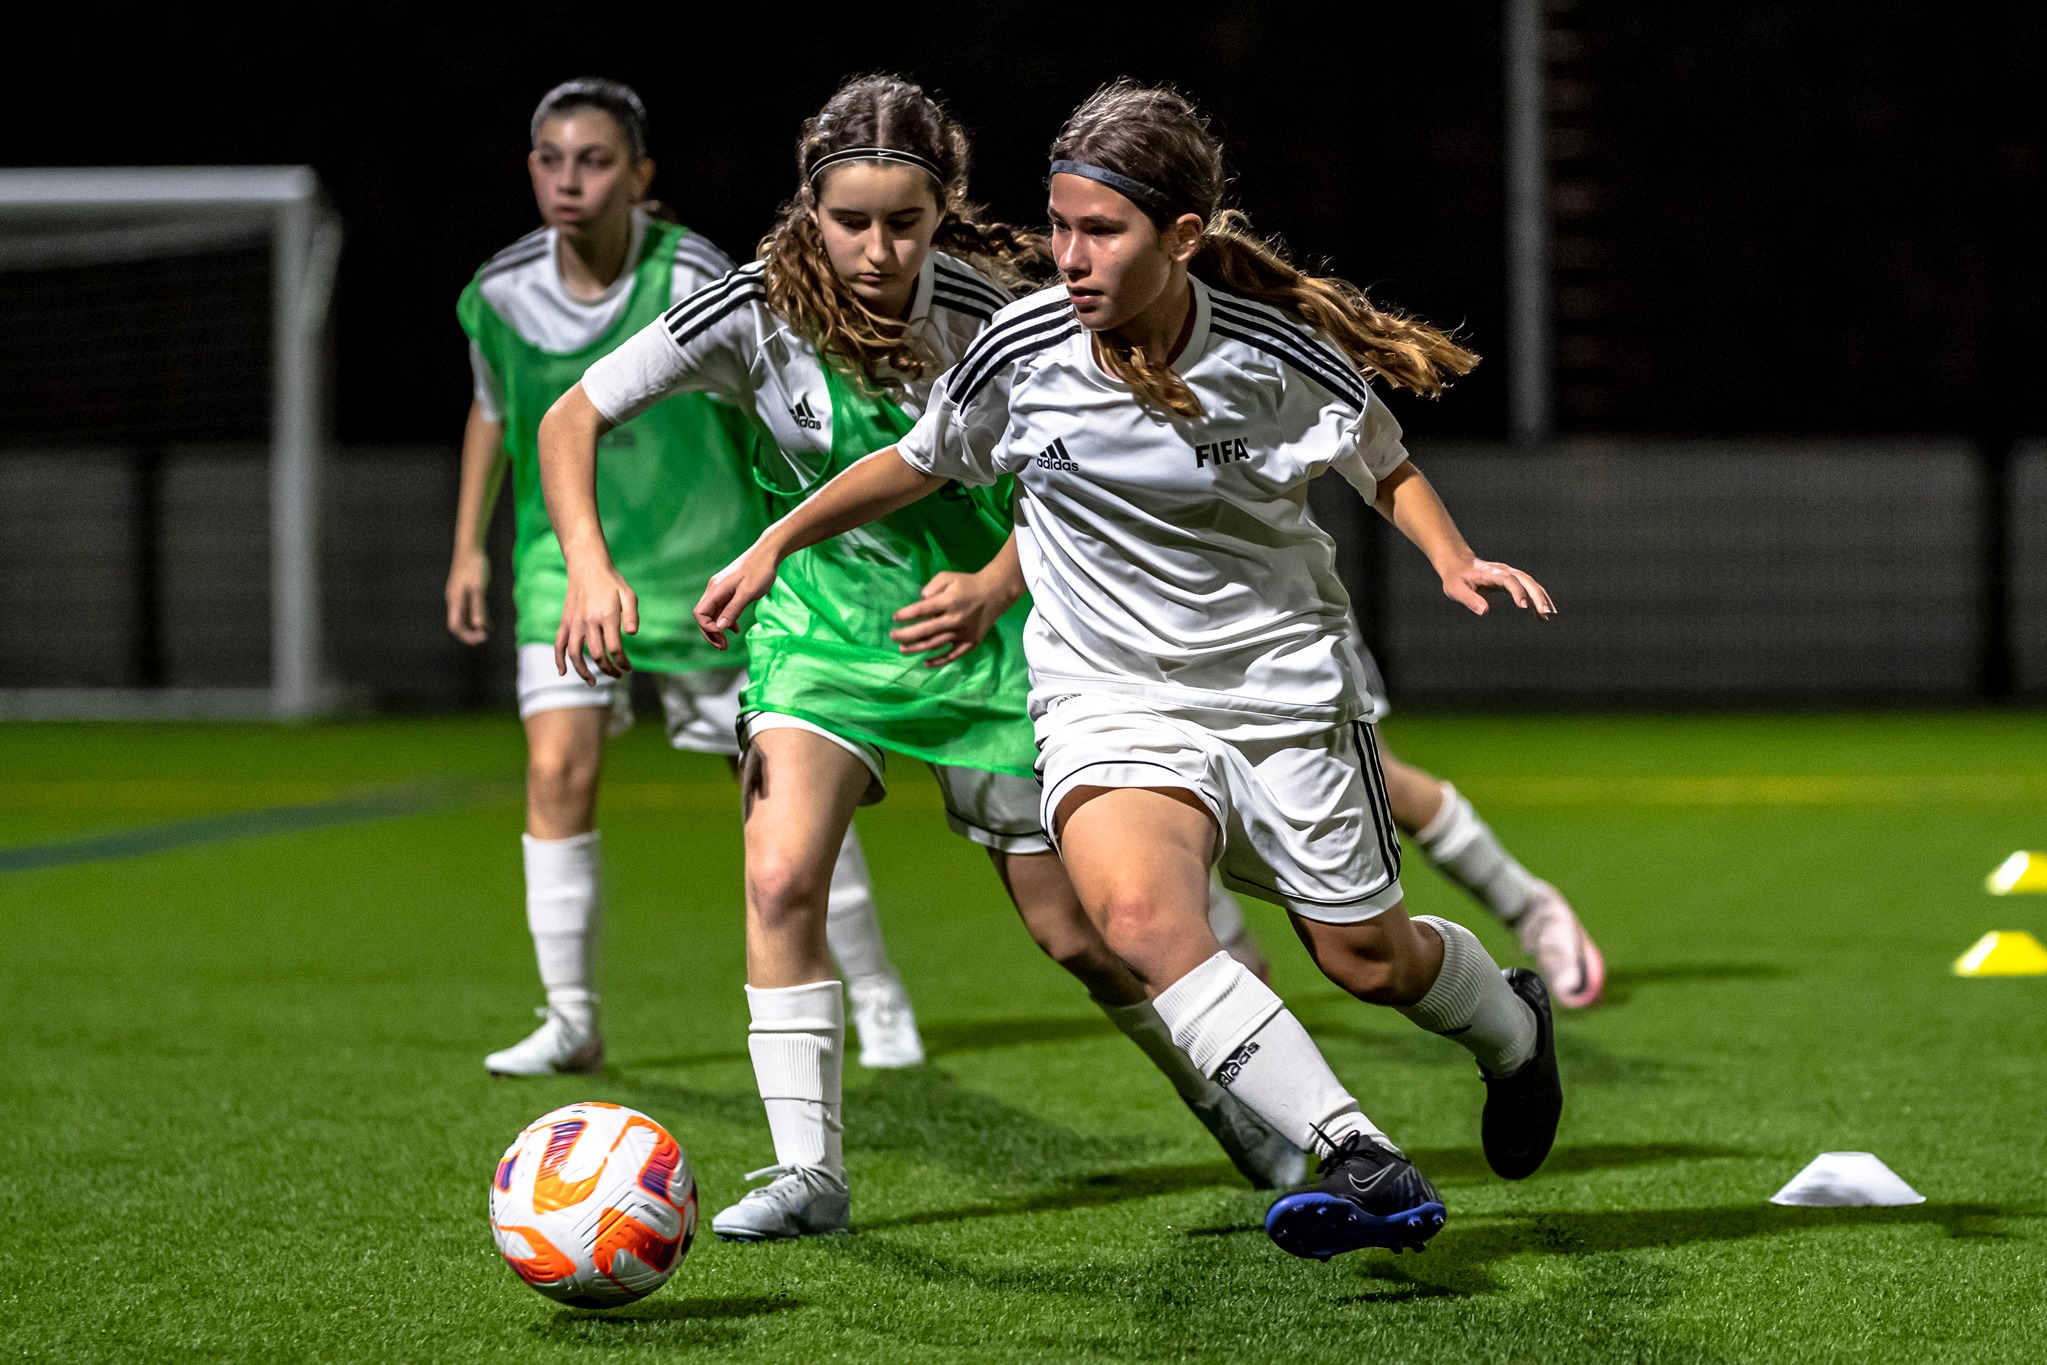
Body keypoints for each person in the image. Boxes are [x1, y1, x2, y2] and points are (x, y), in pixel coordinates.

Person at [692, 81, 1567, 1262]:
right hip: (1103, 697)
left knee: (1368, 960)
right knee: (1141, 919)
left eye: (1100, 231)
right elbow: (918, 460)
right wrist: (775, 541)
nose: (1068, 257)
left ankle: (1511, 1029)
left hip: (1278, 690)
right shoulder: (1020, 347)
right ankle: (1354, 1151)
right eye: (1059, 227)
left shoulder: (1265, 356)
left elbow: (1382, 462)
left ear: (1182, 236)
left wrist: (1457, 560)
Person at [541, 75, 1304, 1242]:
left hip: (989, 636)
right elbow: (571, 417)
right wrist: (589, 570)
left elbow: (1098, 472)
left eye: (905, 221)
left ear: (946, 207)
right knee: (779, 875)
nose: (878, 249)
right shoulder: (748, 310)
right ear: (809, 208)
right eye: (850, 220)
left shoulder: (1001, 314)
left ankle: (1230, 1101)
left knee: (1077, 935)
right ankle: (807, 1172)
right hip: (818, 630)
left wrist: (995, 581)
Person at [448, 78, 922, 1079]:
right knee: (556, 770)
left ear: (639, 177)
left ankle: (877, 992)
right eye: (550, 160)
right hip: (570, 563)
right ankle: (570, 1018)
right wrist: (468, 546)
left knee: (783, 792)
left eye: (594, 161)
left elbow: (774, 404)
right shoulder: (498, 293)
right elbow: (496, 408)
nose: (569, 180)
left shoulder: (695, 273)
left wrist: (793, 542)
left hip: (711, 567)